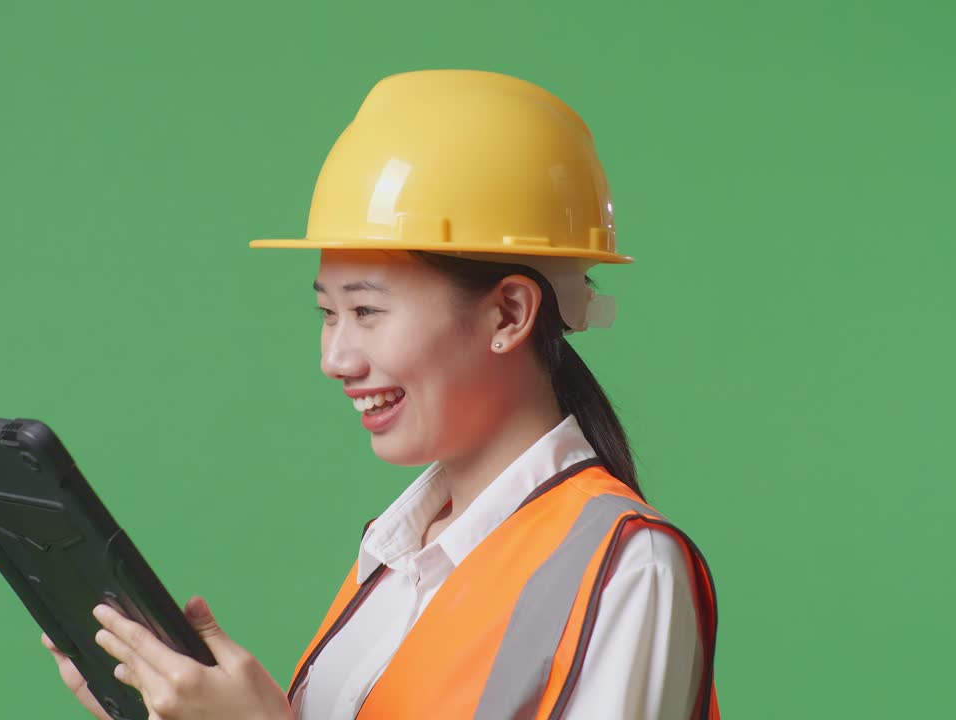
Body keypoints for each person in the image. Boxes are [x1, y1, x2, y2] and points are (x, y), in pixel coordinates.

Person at [43, 69, 720, 719]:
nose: (335, 359)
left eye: (366, 312)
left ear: (509, 314)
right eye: (327, 314)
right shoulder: (400, 556)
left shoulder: (630, 568)